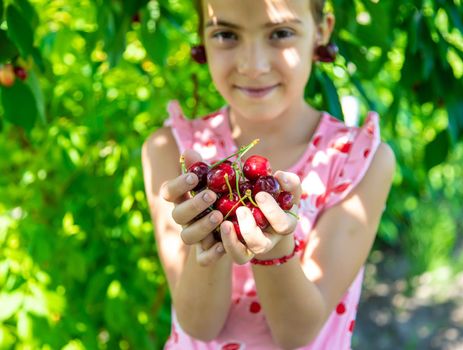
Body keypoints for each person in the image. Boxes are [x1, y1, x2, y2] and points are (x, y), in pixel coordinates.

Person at [141, 0, 396, 348]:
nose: (253, 65)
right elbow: (199, 326)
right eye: (226, 34)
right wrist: (211, 243)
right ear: (201, 36)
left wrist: (274, 250)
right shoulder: (171, 152)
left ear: (322, 30)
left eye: (280, 33)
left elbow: (297, 333)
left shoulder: (358, 161)